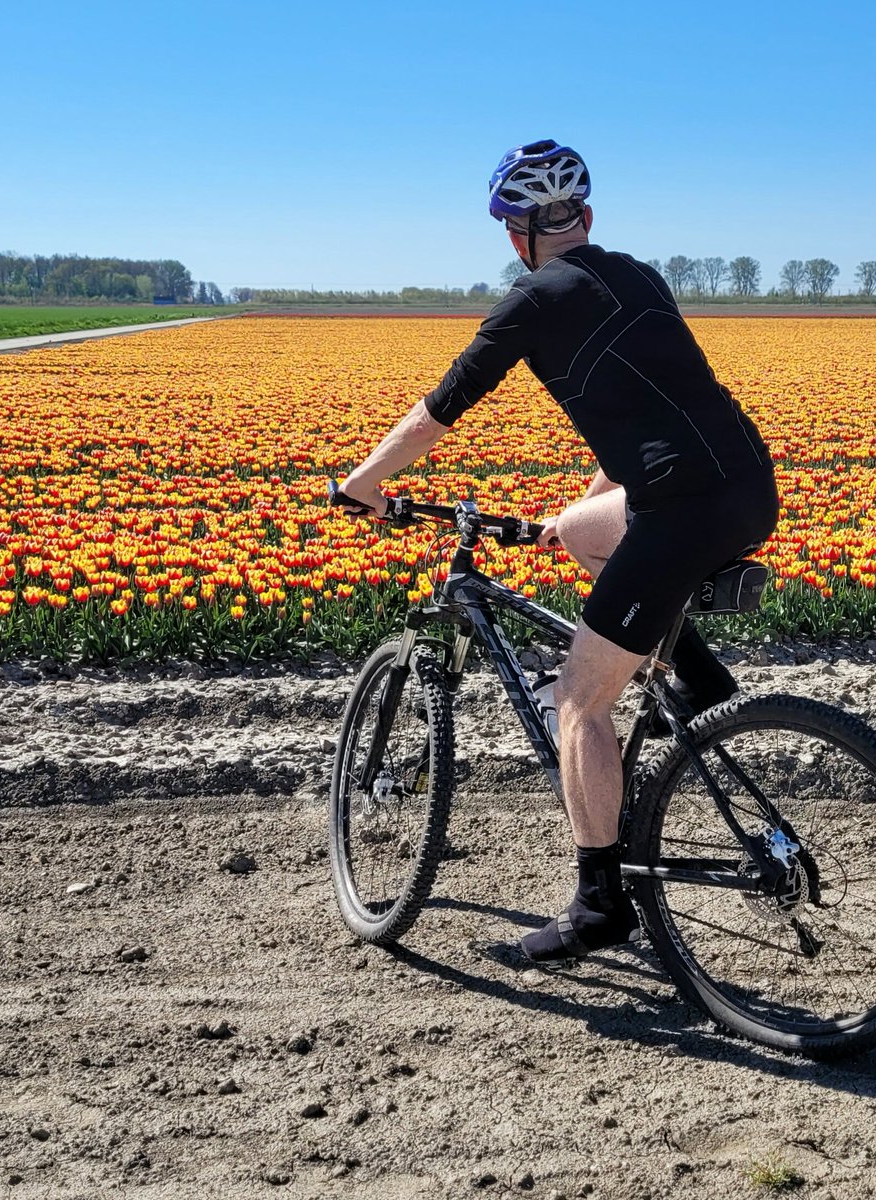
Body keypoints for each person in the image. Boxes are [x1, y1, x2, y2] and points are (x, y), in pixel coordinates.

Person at [338, 139, 779, 964]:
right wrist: (585, 505)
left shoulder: (530, 301)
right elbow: (656, 404)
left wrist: (364, 482)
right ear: (587, 218)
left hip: (681, 508)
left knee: (579, 701)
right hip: (748, 485)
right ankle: (697, 670)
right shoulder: (640, 275)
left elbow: (442, 408)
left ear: (514, 235)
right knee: (581, 532)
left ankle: (599, 904)